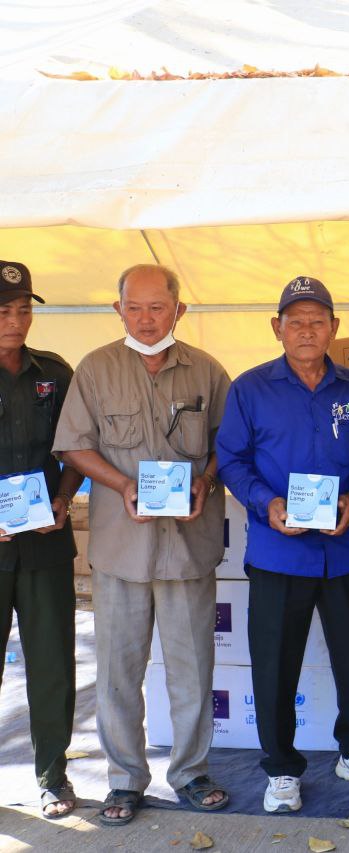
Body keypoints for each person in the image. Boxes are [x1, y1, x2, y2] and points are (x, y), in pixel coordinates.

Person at [54, 264, 231, 825]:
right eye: (135, 307)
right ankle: (124, 779)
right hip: (120, 548)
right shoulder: (95, 369)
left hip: (187, 546)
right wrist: (122, 484)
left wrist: (205, 481)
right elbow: (73, 446)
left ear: (179, 309)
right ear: (119, 309)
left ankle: (191, 772)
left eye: (158, 307)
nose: (146, 319)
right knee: (118, 672)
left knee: (192, 671)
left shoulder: (207, 371)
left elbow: (231, 444)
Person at [216, 277, 349, 813]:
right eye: (295, 321)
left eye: (317, 321)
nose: (306, 330)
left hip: (342, 552)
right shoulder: (250, 389)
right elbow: (231, 460)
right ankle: (280, 769)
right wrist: (265, 503)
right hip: (278, 553)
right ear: (277, 328)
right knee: (275, 666)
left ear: (334, 328)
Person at [0, 261, 84, 819]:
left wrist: (64, 497)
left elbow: (77, 446)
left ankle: (53, 776)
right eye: (4, 311)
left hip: (46, 545)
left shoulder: (54, 372)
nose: (16, 320)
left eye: (24, 309)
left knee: (52, 665)